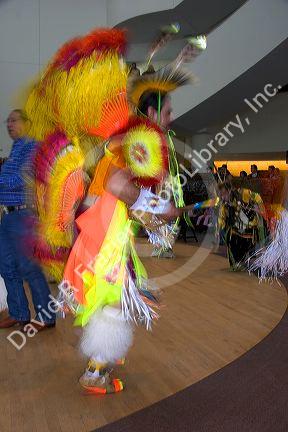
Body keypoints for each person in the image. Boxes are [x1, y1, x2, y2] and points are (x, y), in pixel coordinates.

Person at [24, 28, 197, 394]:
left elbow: (117, 196)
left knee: (111, 304)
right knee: (114, 305)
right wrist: (158, 206)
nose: (170, 118)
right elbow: (119, 188)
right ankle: (93, 373)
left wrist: (152, 214)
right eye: (167, 112)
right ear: (151, 111)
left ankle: (98, 370)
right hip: (101, 244)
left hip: (103, 239)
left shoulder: (128, 143)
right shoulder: (126, 144)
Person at [0, 110, 55, 330]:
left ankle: (45, 317)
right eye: (8, 121)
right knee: (7, 266)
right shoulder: (16, 148)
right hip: (7, 215)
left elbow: (19, 178)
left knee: (28, 267)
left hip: (24, 216)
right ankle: (18, 313)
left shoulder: (32, 147)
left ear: (27, 123)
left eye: (14, 120)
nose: (9, 124)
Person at [218, 181, 266, 271]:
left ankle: (242, 260)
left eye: (224, 194)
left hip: (251, 228)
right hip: (237, 229)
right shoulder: (225, 204)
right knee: (229, 236)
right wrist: (219, 228)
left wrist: (259, 207)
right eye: (221, 195)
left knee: (242, 244)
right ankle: (236, 263)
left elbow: (257, 196)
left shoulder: (243, 193)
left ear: (230, 190)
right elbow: (222, 218)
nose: (222, 197)